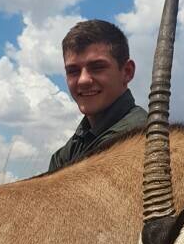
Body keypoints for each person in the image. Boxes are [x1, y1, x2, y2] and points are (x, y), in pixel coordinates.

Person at [47, 19, 147, 173]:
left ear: (127, 72)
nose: (83, 80)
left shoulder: (142, 137)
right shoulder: (67, 152)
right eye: (73, 71)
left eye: (98, 67)